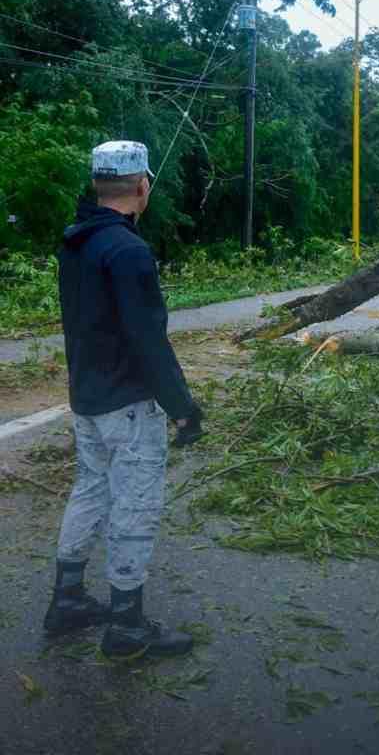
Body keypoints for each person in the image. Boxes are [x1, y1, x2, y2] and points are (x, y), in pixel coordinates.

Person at [44, 141, 203, 658]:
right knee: (134, 506)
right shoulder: (129, 250)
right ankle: (127, 627)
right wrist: (182, 406)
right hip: (129, 405)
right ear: (142, 186)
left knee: (90, 490)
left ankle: (67, 599)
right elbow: (147, 338)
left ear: (98, 184)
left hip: (87, 399)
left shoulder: (77, 242)